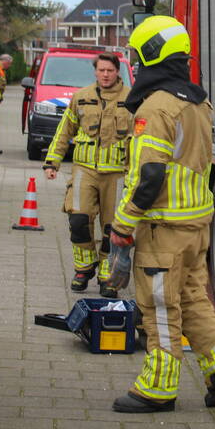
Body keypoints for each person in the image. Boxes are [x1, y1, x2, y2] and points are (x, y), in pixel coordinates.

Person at [106, 15, 215, 414]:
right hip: (196, 225)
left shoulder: (155, 108)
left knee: (160, 307)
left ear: (153, 54)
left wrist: (123, 223)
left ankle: (158, 388)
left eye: (138, 56)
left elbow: (150, 175)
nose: (136, 65)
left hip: (163, 229)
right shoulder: (198, 102)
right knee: (192, 299)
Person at [43, 53, 132, 297]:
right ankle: (83, 268)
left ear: (118, 72)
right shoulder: (81, 97)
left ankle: (107, 277)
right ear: (95, 72)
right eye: (101, 70)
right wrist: (52, 162)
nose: (105, 74)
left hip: (117, 174)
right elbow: (64, 130)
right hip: (84, 170)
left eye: (110, 70)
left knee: (112, 228)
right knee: (78, 220)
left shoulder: (132, 99)